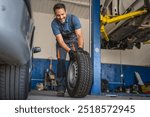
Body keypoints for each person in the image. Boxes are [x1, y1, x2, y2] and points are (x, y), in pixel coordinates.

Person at [51, 3, 84, 97]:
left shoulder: (74, 19)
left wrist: (80, 48)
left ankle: (78, 85)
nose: (61, 17)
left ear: (66, 12)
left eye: (62, 14)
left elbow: (79, 35)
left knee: (78, 61)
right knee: (61, 63)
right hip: (62, 44)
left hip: (73, 41)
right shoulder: (54, 24)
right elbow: (60, 41)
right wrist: (69, 51)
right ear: (55, 14)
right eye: (58, 15)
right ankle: (61, 88)